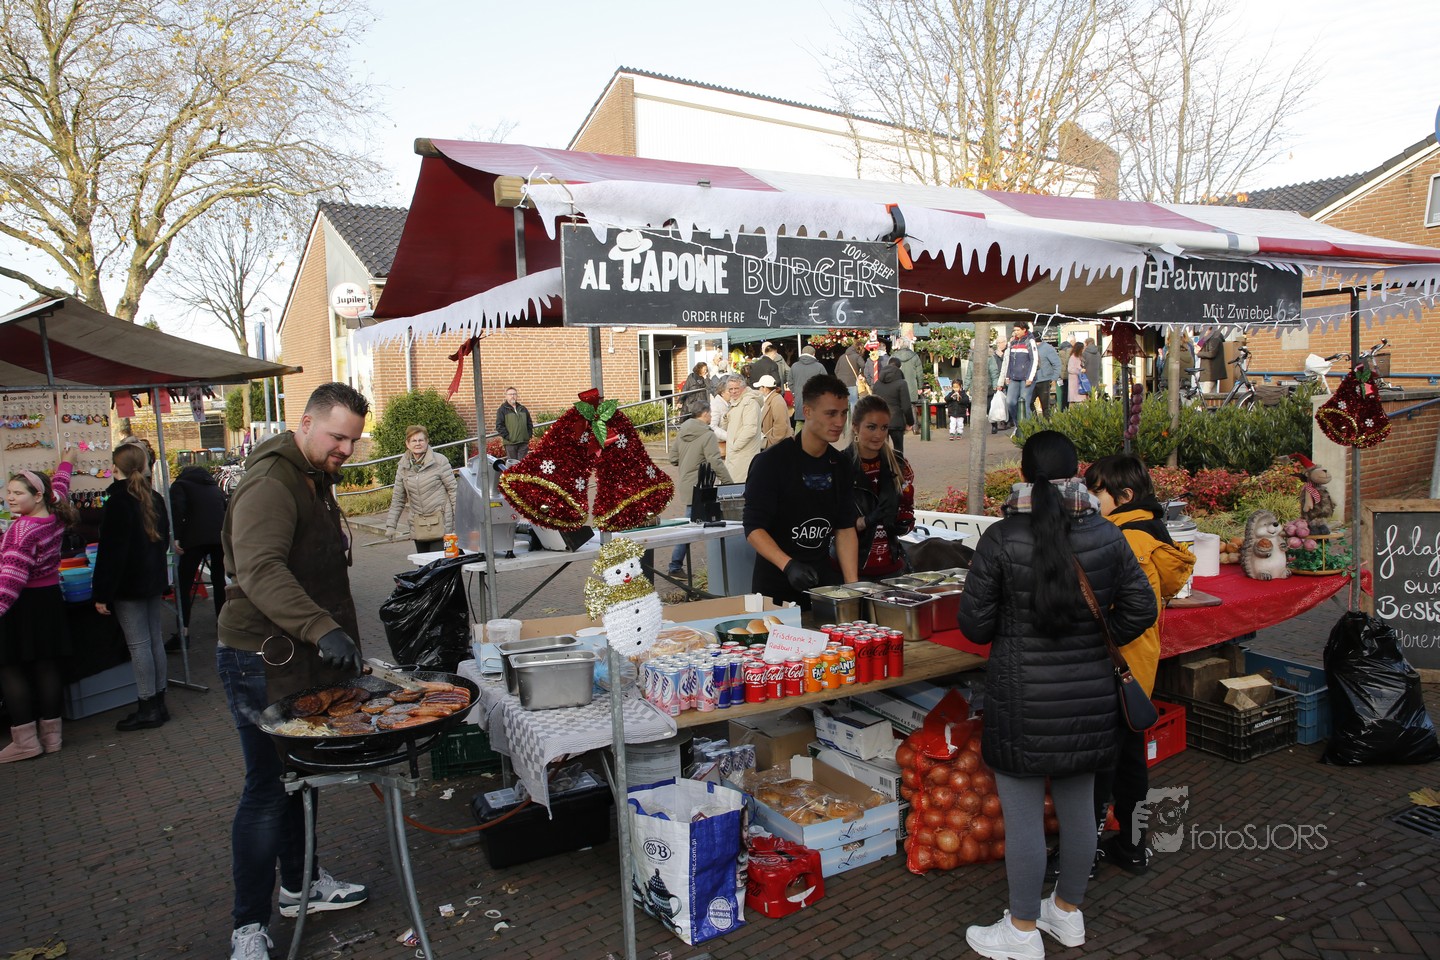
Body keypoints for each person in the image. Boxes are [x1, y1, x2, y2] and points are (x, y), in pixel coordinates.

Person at [956, 431, 1154, 960]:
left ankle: (1022, 930)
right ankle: (1066, 913)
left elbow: (974, 625)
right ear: (1077, 472)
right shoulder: (1107, 533)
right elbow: (1142, 607)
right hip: (1089, 699)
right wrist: (1094, 641)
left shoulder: (1001, 538)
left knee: (1023, 820)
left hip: (1021, 701)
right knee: (1080, 810)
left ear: (1024, 473)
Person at [217, 382, 371, 960]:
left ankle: (300, 884)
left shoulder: (312, 475)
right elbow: (259, 568)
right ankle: (248, 926)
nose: (345, 450)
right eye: (337, 437)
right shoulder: (269, 482)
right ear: (304, 423)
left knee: (295, 778)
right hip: (259, 658)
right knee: (266, 788)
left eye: (353, 441)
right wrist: (320, 627)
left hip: (294, 652)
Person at [1083, 455, 1194, 875]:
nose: (1090, 500)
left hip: (1113, 667)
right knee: (1130, 760)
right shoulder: (1152, 530)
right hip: (1136, 669)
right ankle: (1131, 846)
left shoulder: (1124, 539)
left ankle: (1084, 854)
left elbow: (1125, 611)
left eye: (1096, 493)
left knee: (1100, 765)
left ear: (1124, 495)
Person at [742, 374, 859, 607]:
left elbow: (845, 528)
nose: (839, 422)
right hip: (776, 588)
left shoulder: (841, 464)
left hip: (822, 586)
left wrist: (853, 588)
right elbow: (753, 528)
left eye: (844, 413)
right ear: (807, 412)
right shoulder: (771, 462)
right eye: (830, 413)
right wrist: (788, 565)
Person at [0, 454, 77, 762]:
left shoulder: (22, 531)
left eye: (17, 493)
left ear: (36, 496)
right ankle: (52, 737)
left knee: (9, 667)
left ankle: (26, 742)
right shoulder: (55, 514)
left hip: (22, 604)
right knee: (47, 665)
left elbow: (10, 582)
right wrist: (67, 462)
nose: (10, 498)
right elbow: (60, 487)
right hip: (49, 600)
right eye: (8, 492)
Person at [93, 443, 171, 732]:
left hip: (129, 584)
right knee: (153, 642)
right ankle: (158, 701)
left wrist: (102, 593)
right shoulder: (153, 497)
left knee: (140, 646)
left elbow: (111, 552)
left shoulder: (118, 502)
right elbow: (163, 541)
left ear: (116, 467)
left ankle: (148, 705)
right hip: (151, 580)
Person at [846, 396, 915, 579]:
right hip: (850, 573)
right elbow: (832, 525)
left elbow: (907, 509)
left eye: (884, 427)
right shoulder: (840, 465)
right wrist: (866, 521)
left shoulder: (899, 464)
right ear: (855, 427)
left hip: (892, 569)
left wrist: (904, 523)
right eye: (871, 427)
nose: (878, 435)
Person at [666, 407, 732, 577]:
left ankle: (677, 565)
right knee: (694, 526)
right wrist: (728, 483)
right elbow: (715, 461)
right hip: (702, 486)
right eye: (710, 413)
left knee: (694, 524)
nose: (711, 416)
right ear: (704, 414)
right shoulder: (707, 435)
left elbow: (673, 458)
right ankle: (675, 565)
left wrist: (689, 462)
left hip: (686, 484)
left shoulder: (682, 432)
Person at [170, 464, 229, 650]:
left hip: (194, 539)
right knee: (219, 581)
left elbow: (177, 511)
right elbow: (226, 509)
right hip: (218, 538)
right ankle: (223, 625)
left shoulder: (180, 486)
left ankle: (183, 632)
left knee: (183, 585)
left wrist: (177, 537)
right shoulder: (214, 487)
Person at [383, 425, 458, 553]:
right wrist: (391, 525)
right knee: (424, 563)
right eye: (414, 440)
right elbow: (398, 498)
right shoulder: (403, 466)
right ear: (407, 444)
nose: (418, 443)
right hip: (419, 526)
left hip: (443, 524)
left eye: (421, 440)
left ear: (427, 441)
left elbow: (453, 490)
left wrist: (460, 520)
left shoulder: (439, 461)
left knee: (441, 562)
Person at [723, 376, 765, 483]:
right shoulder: (736, 402)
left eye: (736, 388)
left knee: (740, 487)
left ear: (743, 387)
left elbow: (750, 429)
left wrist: (735, 447)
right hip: (736, 456)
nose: (733, 391)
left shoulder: (749, 403)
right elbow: (729, 427)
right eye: (730, 389)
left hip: (743, 455)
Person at [999, 320, 1037, 430]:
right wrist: (1007, 375)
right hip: (1014, 377)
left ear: (1024, 330)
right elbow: (1010, 361)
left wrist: (1030, 377)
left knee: (1024, 403)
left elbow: (1034, 359)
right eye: (1014, 330)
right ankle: (1019, 425)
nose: (1015, 332)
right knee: (1010, 402)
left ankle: (1028, 428)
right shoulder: (1013, 343)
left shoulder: (1030, 341)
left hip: (1026, 378)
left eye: (1017, 330)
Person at [872, 356, 915, 452]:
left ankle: (884, 462)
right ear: (899, 367)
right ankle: (898, 462)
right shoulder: (902, 383)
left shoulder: (877, 383)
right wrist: (910, 422)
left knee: (882, 451)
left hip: (880, 421)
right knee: (898, 450)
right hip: (896, 420)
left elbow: (873, 404)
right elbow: (906, 406)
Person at [788, 345, 825, 431]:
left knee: (799, 423)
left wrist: (795, 393)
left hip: (799, 399)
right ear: (814, 354)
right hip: (815, 400)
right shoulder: (819, 366)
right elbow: (826, 384)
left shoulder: (794, 366)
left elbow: (790, 382)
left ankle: (798, 439)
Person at [891, 337, 924, 427]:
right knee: (912, 406)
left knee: (899, 407)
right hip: (912, 386)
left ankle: (901, 427)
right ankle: (915, 426)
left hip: (897, 386)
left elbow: (890, 372)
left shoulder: (893, 357)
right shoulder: (915, 356)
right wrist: (920, 387)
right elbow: (920, 373)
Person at [494, 387, 534, 462]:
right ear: (506, 396)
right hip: (511, 444)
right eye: (510, 394)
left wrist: (528, 435)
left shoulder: (523, 408)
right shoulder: (502, 410)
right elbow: (499, 426)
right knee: (513, 465)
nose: (512, 396)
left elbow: (529, 423)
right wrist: (509, 437)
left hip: (523, 442)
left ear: (517, 396)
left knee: (523, 464)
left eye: (514, 394)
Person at [710, 374, 744, 456]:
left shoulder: (729, 403)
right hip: (720, 444)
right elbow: (712, 427)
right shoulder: (715, 405)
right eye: (729, 391)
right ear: (722, 393)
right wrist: (729, 436)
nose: (732, 393)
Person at [756, 374, 790, 448]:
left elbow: (781, 426)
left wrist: (771, 442)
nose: (759, 389)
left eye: (760, 387)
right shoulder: (772, 399)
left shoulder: (777, 401)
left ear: (765, 388)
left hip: (777, 446)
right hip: (775, 444)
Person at [1032, 336, 1062, 418]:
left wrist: (1054, 378)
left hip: (1045, 380)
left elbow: (1057, 364)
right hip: (1032, 380)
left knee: (1046, 406)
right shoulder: (1029, 348)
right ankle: (1035, 422)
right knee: (1029, 403)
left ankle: (1047, 422)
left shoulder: (1048, 348)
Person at [835, 341, 865, 406]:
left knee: (842, 404)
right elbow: (863, 365)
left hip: (841, 383)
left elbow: (836, 370)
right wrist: (861, 374)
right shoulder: (857, 356)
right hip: (852, 382)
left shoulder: (842, 357)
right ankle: (853, 413)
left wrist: (840, 378)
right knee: (853, 403)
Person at [1066, 341, 1088, 408]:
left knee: (1081, 400)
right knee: (1074, 402)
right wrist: (1079, 370)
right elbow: (1070, 369)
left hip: (1080, 381)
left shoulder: (1080, 357)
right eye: (1083, 348)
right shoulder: (1073, 357)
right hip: (1075, 382)